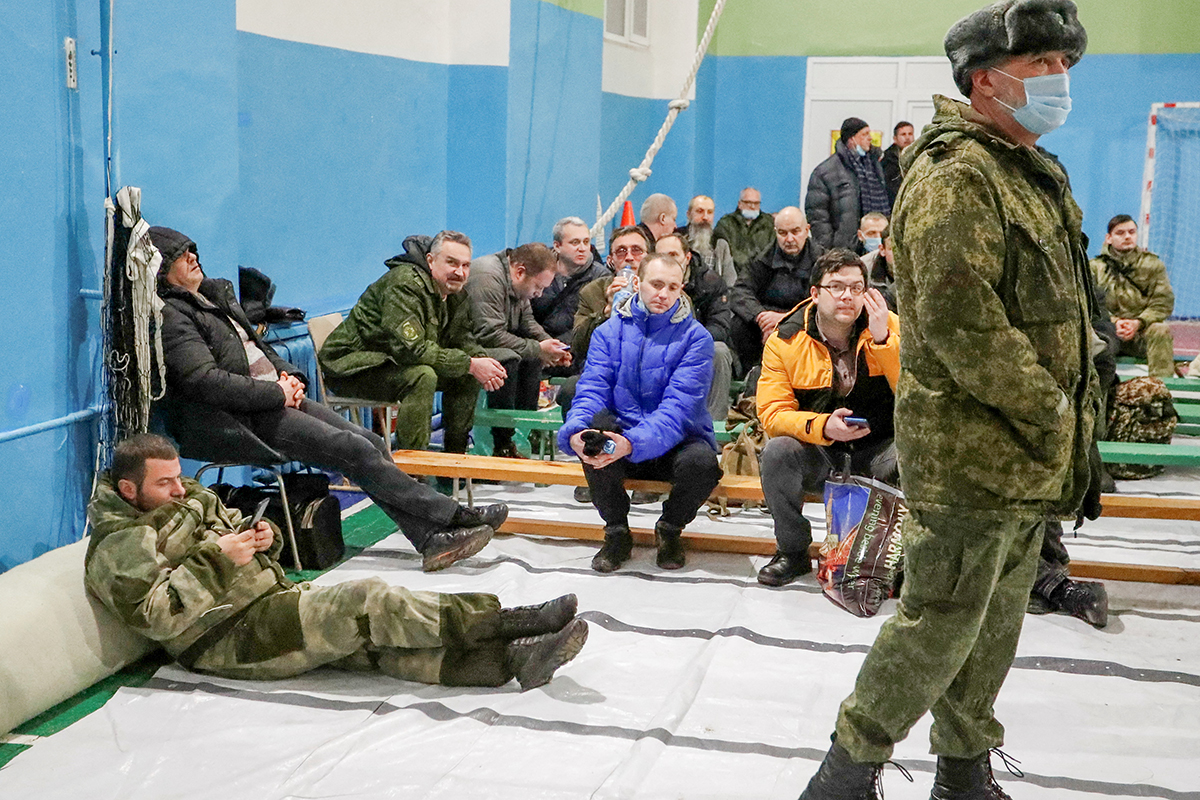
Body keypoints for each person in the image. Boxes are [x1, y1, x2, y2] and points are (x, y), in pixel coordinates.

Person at [798, 2, 1099, 796]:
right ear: (986, 81)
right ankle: (845, 774)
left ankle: (962, 773)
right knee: (938, 622)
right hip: (975, 452)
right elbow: (966, 325)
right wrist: (1053, 409)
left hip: (1027, 456)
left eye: (1065, 64)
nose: (1060, 81)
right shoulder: (953, 175)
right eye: (1042, 67)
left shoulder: (1031, 171)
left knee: (994, 627)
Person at [85, 434, 588, 690]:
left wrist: (264, 538)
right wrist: (217, 559)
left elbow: (235, 531)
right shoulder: (119, 545)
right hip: (224, 639)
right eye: (164, 484)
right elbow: (155, 616)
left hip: (268, 602)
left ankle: (516, 659)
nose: (179, 490)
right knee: (365, 601)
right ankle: (510, 621)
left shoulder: (187, 495)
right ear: (128, 490)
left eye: (178, 478)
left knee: (380, 645)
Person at [150, 226, 505, 573]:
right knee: (356, 448)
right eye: (182, 255)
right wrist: (277, 392)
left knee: (368, 441)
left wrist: (292, 377)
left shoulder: (213, 299)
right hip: (239, 419)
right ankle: (449, 514)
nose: (194, 258)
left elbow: (261, 351)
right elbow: (204, 382)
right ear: (163, 269)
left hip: (275, 400)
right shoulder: (173, 315)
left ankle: (430, 539)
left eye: (193, 250)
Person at [558, 253, 722, 572]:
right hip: (624, 433)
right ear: (638, 284)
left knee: (703, 465)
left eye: (673, 287)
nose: (663, 294)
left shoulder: (697, 339)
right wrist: (575, 431)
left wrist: (631, 443)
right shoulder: (608, 332)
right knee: (594, 442)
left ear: (682, 290)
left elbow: (678, 410)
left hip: (677, 440)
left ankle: (670, 529)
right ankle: (616, 532)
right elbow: (592, 387)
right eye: (656, 284)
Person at [755, 249, 899, 587]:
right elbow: (772, 415)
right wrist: (822, 427)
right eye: (836, 287)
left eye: (856, 287)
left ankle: (891, 559)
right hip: (820, 452)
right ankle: (791, 552)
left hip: (879, 449)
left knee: (915, 454)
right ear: (816, 294)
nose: (847, 296)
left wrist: (883, 342)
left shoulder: (888, 325)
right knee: (778, 451)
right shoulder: (785, 340)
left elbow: (916, 393)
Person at [318, 231, 507, 454]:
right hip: (352, 368)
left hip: (391, 363)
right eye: (451, 263)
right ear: (430, 260)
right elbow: (413, 350)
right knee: (423, 376)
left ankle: (454, 461)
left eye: (466, 265)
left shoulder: (454, 292)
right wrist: (470, 363)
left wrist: (482, 361)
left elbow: (463, 338)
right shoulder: (403, 285)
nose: (459, 272)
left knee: (467, 374)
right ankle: (414, 471)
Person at [558, 226, 652, 504]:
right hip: (604, 374)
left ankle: (650, 476)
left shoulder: (662, 289)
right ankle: (591, 467)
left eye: (636, 250)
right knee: (571, 388)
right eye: (621, 251)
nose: (629, 257)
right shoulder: (593, 292)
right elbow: (577, 345)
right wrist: (607, 312)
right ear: (611, 260)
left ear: (647, 257)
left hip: (648, 374)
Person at [467, 242, 571, 458]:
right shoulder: (487, 277)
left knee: (532, 361)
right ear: (520, 271)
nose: (539, 294)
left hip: (490, 342)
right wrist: (538, 348)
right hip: (469, 344)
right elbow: (488, 333)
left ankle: (524, 433)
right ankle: (502, 441)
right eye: (538, 287)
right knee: (509, 360)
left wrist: (550, 345)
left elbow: (528, 322)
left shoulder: (517, 284)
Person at [728, 207, 824, 372]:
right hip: (766, 322)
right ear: (775, 232)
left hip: (806, 321)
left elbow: (825, 301)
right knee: (739, 324)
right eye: (782, 233)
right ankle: (750, 374)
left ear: (807, 230)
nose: (789, 239)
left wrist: (785, 320)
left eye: (795, 232)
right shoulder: (761, 258)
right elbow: (740, 292)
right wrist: (761, 317)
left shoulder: (822, 261)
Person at [654, 232, 734, 421]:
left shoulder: (711, 283)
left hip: (699, 345)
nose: (667, 262)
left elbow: (720, 327)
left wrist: (686, 340)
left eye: (673, 255)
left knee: (720, 351)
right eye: (661, 256)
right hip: (658, 348)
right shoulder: (648, 285)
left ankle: (715, 426)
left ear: (687, 257)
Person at [1089, 214, 1176, 378]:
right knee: (1086, 334)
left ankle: (1161, 388)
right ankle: (1094, 389)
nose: (1127, 237)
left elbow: (1162, 303)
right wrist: (1115, 322)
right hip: (1107, 331)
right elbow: (1089, 305)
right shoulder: (1094, 268)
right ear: (1109, 238)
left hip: (1140, 332)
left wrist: (1138, 323)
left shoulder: (1153, 265)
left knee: (1160, 329)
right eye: (1120, 233)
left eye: (1131, 232)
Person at [805, 117, 890, 251]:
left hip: (877, 245)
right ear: (852, 139)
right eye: (864, 134)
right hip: (844, 246)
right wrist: (827, 247)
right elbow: (817, 215)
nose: (870, 138)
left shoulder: (875, 165)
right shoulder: (826, 171)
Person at [531, 217, 611, 351]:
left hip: (577, 350)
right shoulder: (538, 270)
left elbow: (593, 324)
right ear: (557, 246)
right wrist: (542, 345)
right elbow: (527, 315)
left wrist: (559, 347)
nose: (582, 248)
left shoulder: (601, 278)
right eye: (575, 243)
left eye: (586, 242)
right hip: (538, 347)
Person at [713, 187, 776, 271]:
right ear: (739, 204)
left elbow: (771, 250)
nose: (753, 206)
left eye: (756, 203)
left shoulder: (769, 223)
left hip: (761, 274)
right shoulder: (725, 223)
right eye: (748, 203)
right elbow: (727, 252)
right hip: (732, 274)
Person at [679, 195, 737, 286]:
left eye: (709, 212)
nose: (705, 217)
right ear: (689, 214)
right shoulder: (677, 240)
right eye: (700, 211)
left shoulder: (720, 243)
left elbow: (730, 281)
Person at [881, 120, 915, 207]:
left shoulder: (920, 157)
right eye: (903, 134)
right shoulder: (887, 159)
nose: (907, 138)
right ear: (895, 139)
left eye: (910, 134)